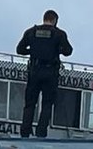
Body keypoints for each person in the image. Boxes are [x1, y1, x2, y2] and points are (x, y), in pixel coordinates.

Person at [16, 10, 74, 138]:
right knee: (47, 104)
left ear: (44, 18)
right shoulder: (59, 34)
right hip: (50, 72)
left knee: (30, 103)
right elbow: (68, 51)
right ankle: (41, 133)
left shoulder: (31, 32)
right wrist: (57, 50)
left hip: (34, 71)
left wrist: (33, 51)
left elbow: (19, 49)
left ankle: (25, 132)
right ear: (54, 21)